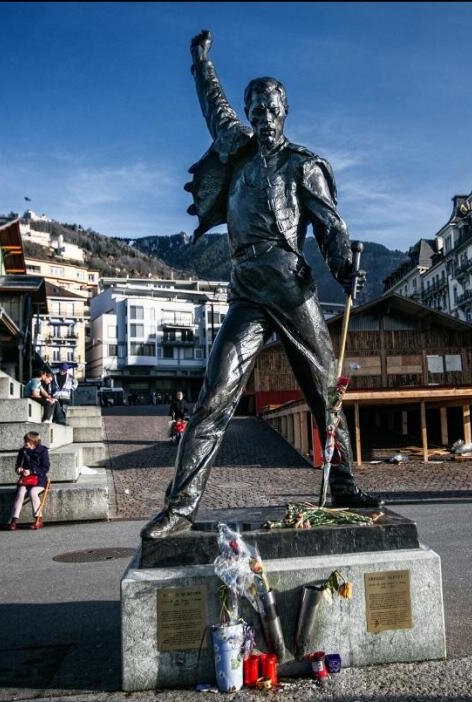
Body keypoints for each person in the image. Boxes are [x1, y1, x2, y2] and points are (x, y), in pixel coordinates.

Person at [143, 30, 380, 540]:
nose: (262, 116)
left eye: (270, 107)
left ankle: (342, 484)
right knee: (214, 395)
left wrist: (343, 267)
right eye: (256, 107)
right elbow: (213, 103)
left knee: (325, 390)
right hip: (246, 288)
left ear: (285, 110)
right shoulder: (237, 148)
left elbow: (331, 226)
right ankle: (181, 506)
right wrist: (200, 63)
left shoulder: (304, 164)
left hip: (292, 286)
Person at [9, 431, 50, 530]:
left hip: (39, 479)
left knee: (32, 493)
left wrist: (31, 471)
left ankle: (38, 519)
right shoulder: (22, 451)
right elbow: (18, 465)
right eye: (25, 441)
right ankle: (13, 521)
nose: (25, 443)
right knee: (20, 493)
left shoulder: (43, 451)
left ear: (34, 442)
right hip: (26, 479)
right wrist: (19, 469)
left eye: (27, 441)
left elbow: (45, 468)